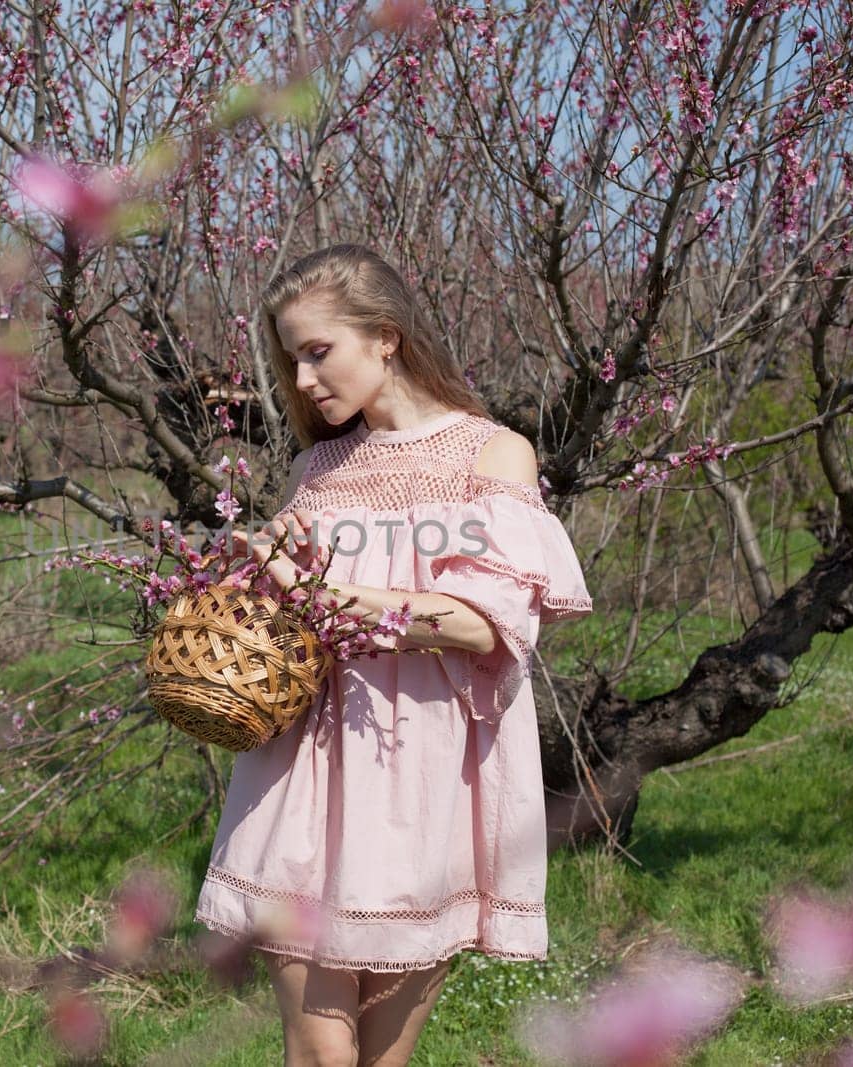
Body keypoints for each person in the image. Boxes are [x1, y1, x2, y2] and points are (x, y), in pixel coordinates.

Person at [197, 244, 595, 1067]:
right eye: (290, 358)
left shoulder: (493, 456)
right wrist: (272, 567)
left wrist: (330, 597)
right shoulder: (318, 468)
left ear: (385, 337)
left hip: (426, 785)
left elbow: (484, 624)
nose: (303, 381)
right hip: (301, 778)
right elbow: (292, 629)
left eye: (318, 351)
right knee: (316, 1053)